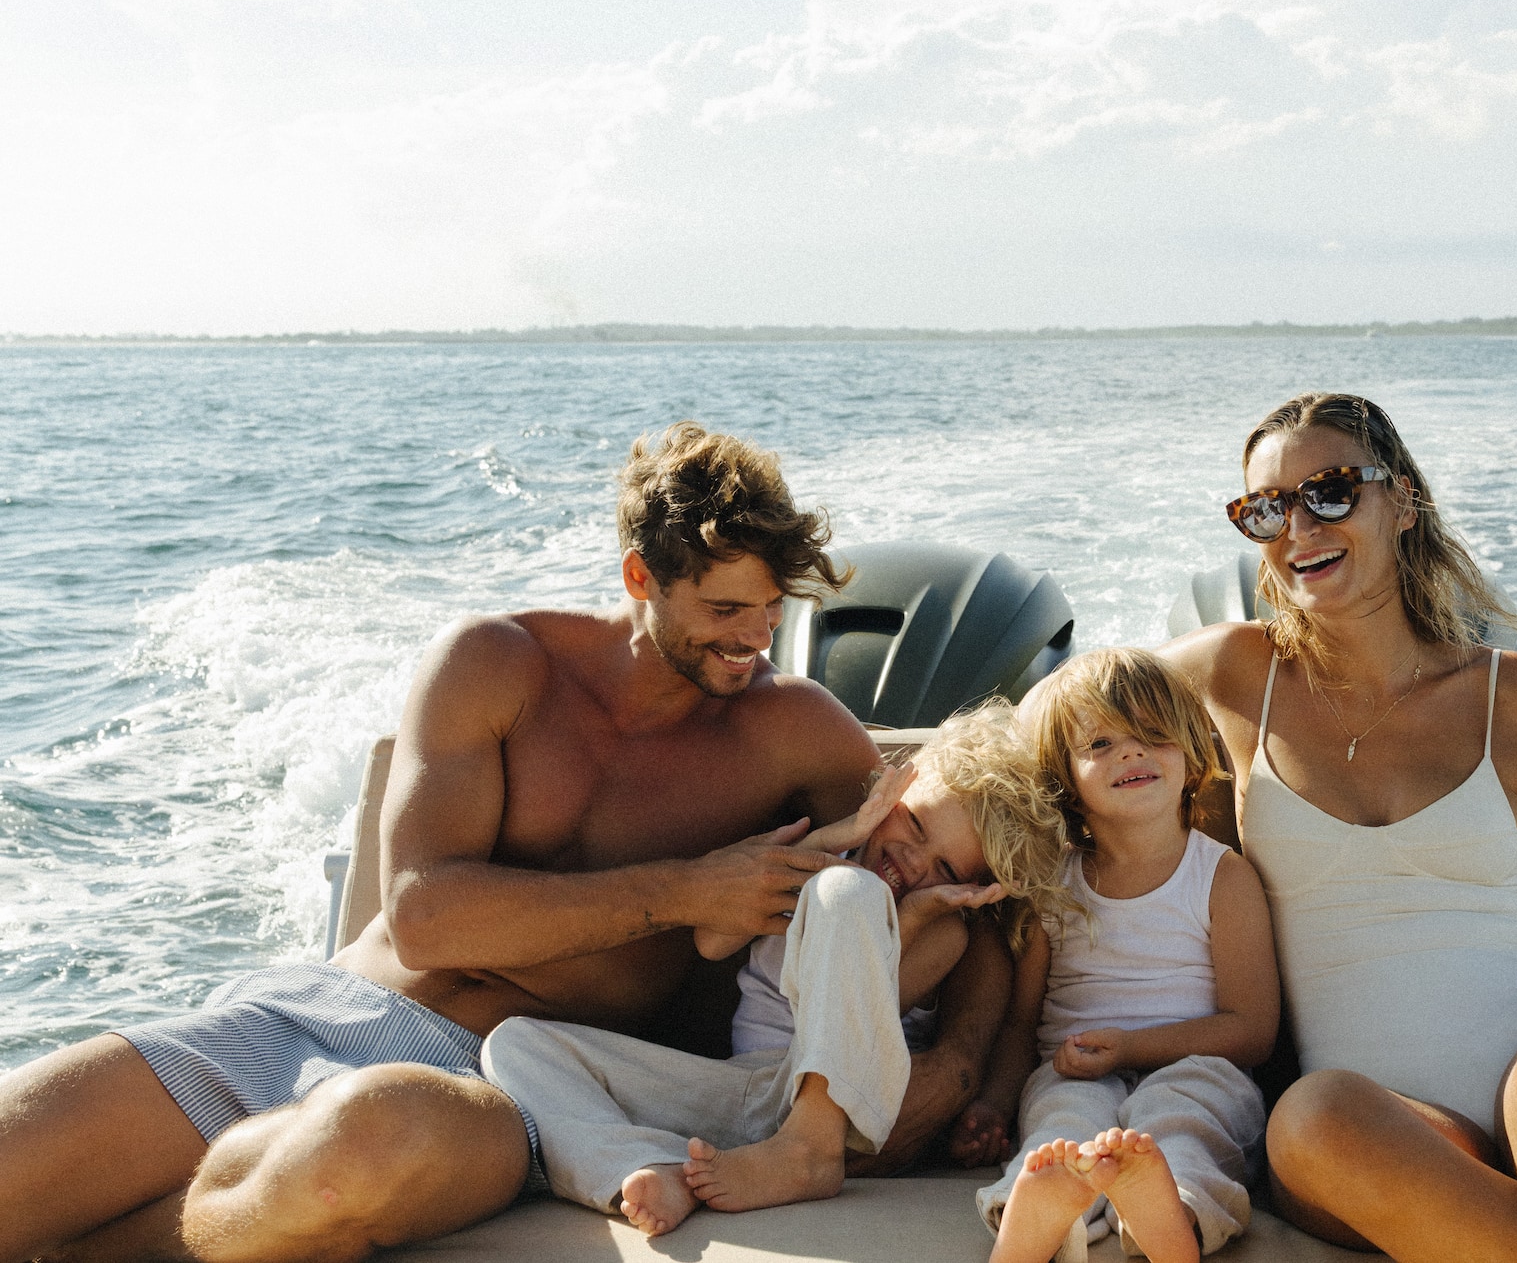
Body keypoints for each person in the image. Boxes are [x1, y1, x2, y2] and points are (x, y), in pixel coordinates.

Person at [0, 423, 1011, 1263]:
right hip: (315, 1011)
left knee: (358, 1149)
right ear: (639, 577)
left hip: (506, 1088)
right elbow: (427, 918)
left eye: (770, 611)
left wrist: (963, 1074)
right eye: (723, 608)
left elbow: (985, 882)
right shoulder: (496, 663)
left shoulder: (793, 733)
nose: (755, 637)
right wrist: (688, 893)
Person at [1159, 392, 1517, 1261]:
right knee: (1311, 1114)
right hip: (1391, 1128)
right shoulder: (1232, 675)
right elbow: (1055, 723)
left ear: (1401, 501)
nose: (1297, 527)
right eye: (1265, 508)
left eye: (1327, 491)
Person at [483, 705, 1069, 1237]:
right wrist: (828, 843)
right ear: (893, 790)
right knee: (518, 1044)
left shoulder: (944, 933)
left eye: (945, 866)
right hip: (743, 1096)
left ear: (971, 888)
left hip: (841, 1114)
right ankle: (646, 1166)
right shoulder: (819, 861)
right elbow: (714, 941)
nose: (913, 860)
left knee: (852, 892)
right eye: (913, 823)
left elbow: (862, 1017)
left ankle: (807, 1151)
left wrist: (909, 916)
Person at [968, 648, 1279, 1263]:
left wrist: (1131, 1048)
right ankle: (1033, 1215)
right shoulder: (1051, 887)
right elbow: (1020, 1026)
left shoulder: (1222, 877)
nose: (1131, 753)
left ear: (1190, 754)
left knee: (1178, 1119)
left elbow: (1252, 1032)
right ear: (1066, 782)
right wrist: (992, 1104)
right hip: (1074, 1071)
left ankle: (1173, 1214)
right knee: (1061, 1120)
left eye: (1152, 735)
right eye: (1101, 743)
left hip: (1199, 1065)